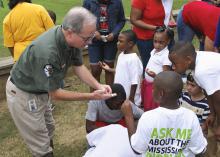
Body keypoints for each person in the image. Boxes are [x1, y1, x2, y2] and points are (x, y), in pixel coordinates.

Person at [5, 7, 114, 157]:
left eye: (91, 37)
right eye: (86, 38)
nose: (89, 43)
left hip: (41, 90)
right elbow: (55, 94)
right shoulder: (47, 53)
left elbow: (79, 66)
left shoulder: (72, 40)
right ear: (70, 32)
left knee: (48, 129)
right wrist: (91, 96)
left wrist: (98, 85)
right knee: (40, 143)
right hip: (24, 93)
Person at [121, 71, 207, 156]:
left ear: (161, 93)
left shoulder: (148, 118)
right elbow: (200, 150)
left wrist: (128, 116)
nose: (152, 91)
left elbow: (137, 149)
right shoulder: (191, 117)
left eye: (153, 88)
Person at [168, 41, 220, 143]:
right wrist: (213, 114)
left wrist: (219, 125)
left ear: (188, 60)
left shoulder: (202, 71)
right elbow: (207, 91)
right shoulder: (196, 60)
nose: (173, 67)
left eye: (175, 63)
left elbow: (218, 99)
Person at [83, 0, 126, 87]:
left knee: (109, 68)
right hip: (94, 41)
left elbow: (122, 20)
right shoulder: (88, 2)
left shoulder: (117, 2)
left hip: (111, 41)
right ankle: (95, 99)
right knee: (95, 70)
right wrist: (94, 31)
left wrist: (114, 33)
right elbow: (83, 19)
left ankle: (110, 97)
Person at [100, 30, 143, 106]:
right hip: (121, 96)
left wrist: (131, 99)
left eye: (121, 41)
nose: (117, 43)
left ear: (130, 44)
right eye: (118, 41)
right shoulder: (121, 55)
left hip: (130, 98)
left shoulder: (133, 59)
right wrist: (109, 69)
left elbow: (135, 81)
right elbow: (121, 71)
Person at [130, 0, 173, 70]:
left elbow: (167, 9)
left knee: (168, 63)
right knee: (149, 66)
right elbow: (134, 19)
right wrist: (156, 28)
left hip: (164, 36)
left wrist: (171, 18)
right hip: (146, 39)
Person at [142, 26, 173, 111]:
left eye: (161, 42)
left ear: (168, 41)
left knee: (152, 107)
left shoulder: (166, 55)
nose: (157, 45)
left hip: (155, 86)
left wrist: (155, 76)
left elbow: (165, 75)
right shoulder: (154, 51)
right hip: (147, 84)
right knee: (146, 103)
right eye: (155, 41)